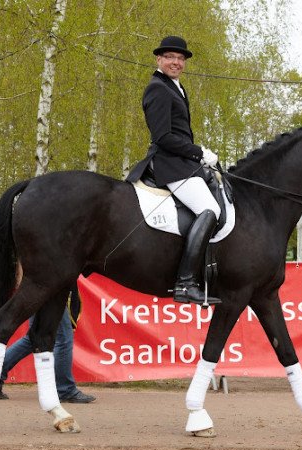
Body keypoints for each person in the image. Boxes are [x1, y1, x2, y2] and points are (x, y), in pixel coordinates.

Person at [126, 35, 221, 306]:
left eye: (180, 58)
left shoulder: (176, 87)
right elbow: (163, 137)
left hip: (182, 162)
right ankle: (186, 282)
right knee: (210, 210)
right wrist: (199, 152)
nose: (176, 62)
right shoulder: (157, 88)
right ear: (159, 59)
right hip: (170, 163)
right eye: (170, 57)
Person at [0, 288, 95, 403]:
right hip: (52, 287)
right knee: (63, 339)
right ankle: (65, 390)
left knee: (33, 338)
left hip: (37, 287)